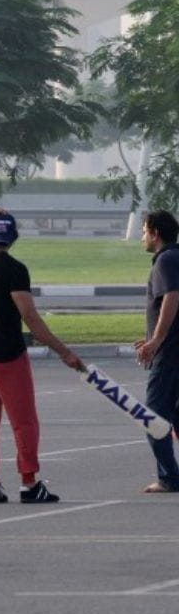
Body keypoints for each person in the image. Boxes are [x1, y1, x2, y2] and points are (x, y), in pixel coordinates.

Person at [0, 208, 83, 504]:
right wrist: (65, 352)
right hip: (8, 355)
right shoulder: (13, 269)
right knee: (23, 421)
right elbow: (31, 319)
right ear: (14, 237)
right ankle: (29, 483)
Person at [134, 209, 179, 493]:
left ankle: (169, 477)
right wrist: (151, 336)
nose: (142, 237)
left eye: (143, 231)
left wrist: (156, 341)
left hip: (170, 354)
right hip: (173, 348)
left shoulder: (165, 261)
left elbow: (172, 298)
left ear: (155, 233)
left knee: (153, 415)